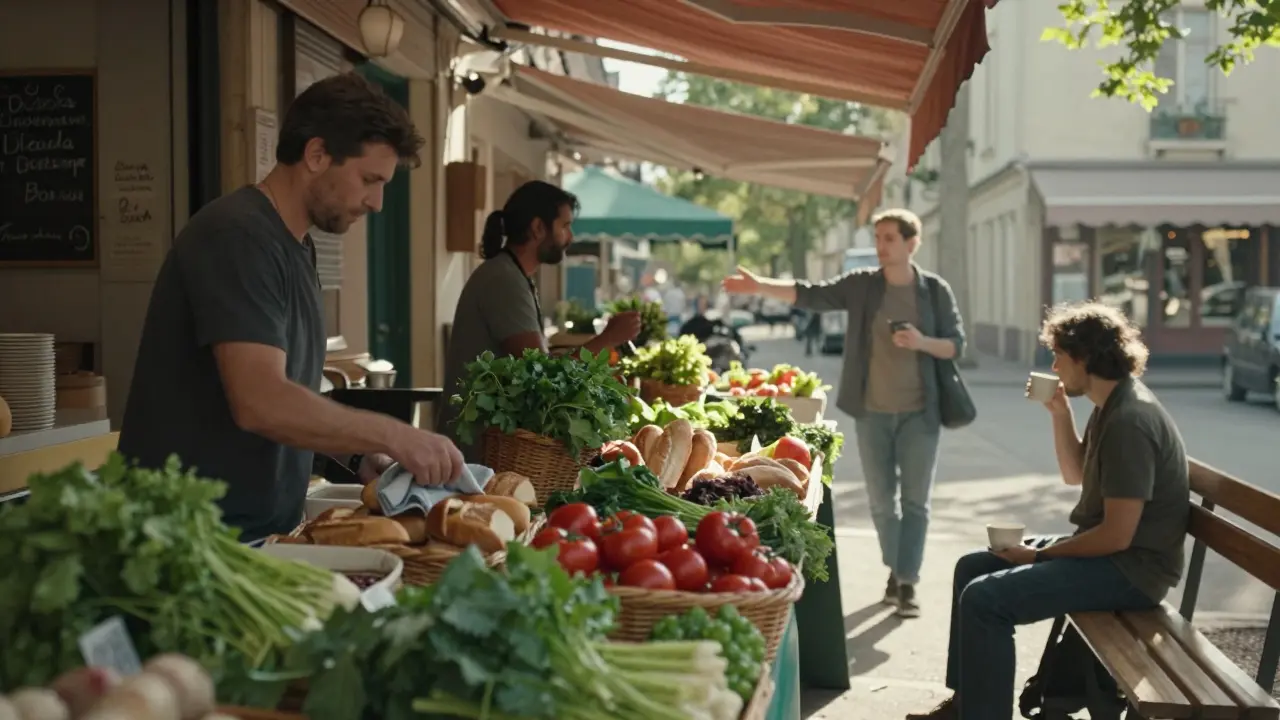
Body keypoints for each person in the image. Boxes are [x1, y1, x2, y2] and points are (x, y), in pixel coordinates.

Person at [118, 73, 465, 543]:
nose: (378, 203)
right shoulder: (237, 237)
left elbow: (290, 396)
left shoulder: (299, 248)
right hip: (190, 541)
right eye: (369, 179)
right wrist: (393, 434)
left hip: (256, 538)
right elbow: (261, 401)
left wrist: (356, 457)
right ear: (316, 154)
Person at [906, 302, 1190, 720]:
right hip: (1114, 558)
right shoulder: (1111, 404)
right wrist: (1059, 413)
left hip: (1132, 571)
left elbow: (1117, 536)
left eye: (1059, 355)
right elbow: (1074, 473)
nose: (1054, 366)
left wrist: (1039, 555)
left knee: (985, 599)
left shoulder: (1131, 420)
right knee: (972, 567)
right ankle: (967, 705)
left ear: (1085, 358)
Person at [722, 208, 963, 617]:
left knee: (917, 503)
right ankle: (897, 568)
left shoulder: (935, 291)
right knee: (883, 503)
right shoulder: (863, 286)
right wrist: (759, 285)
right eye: (878, 236)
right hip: (871, 413)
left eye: (889, 237)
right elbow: (811, 294)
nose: (881, 245)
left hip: (922, 414)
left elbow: (956, 345)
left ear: (911, 243)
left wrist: (922, 342)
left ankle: (906, 581)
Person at [438, 180, 642, 460]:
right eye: (565, 226)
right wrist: (608, 339)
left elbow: (534, 363)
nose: (570, 237)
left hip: (489, 448)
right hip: (478, 453)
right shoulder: (504, 280)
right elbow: (542, 375)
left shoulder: (512, 275)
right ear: (538, 228)